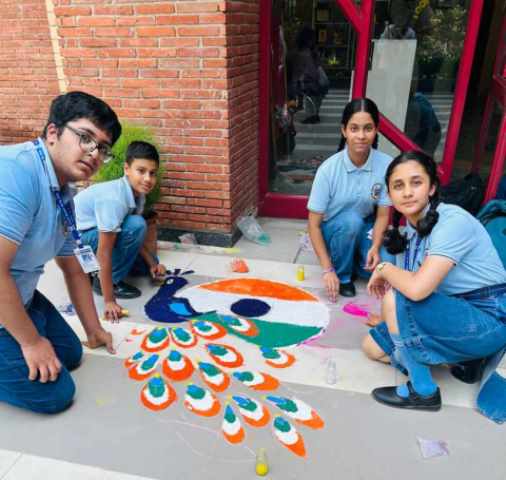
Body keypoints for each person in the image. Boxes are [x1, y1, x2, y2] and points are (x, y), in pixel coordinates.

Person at [0, 91, 120, 414]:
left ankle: (24, 321)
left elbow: (73, 268)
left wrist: (94, 330)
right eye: (85, 138)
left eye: (103, 148)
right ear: (53, 133)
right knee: (56, 394)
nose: (94, 153)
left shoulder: (62, 188)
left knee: (70, 354)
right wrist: (30, 342)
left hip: (18, 291)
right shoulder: (17, 173)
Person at [362, 151, 506, 419]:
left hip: (490, 319)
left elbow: (416, 290)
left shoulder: (452, 221)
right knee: (372, 347)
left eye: (416, 183)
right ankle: (462, 360)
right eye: (398, 186)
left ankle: (424, 391)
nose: (406, 192)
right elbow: (409, 295)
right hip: (456, 313)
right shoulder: (411, 233)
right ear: (390, 195)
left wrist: (384, 268)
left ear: (432, 187)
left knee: (396, 298)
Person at [307, 98, 393, 300]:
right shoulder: (328, 170)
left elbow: (382, 215)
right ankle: (344, 275)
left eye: (368, 128)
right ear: (344, 131)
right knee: (350, 221)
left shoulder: (386, 165)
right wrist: (328, 270)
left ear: (376, 130)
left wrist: (375, 246)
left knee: (386, 267)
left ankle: (355, 258)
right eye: (354, 129)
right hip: (335, 230)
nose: (361, 136)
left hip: (366, 227)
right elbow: (313, 226)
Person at [75, 141, 167, 321]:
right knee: (137, 224)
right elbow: (104, 251)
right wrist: (109, 301)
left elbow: (130, 234)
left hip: (91, 234)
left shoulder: (136, 193)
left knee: (143, 265)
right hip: (74, 244)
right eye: (141, 171)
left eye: (152, 173)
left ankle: (105, 273)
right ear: (126, 169)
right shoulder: (115, 199)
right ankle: (103, 284)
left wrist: (152, 264)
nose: (148, 179)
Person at [287, 26, 325, 124]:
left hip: (304, 80)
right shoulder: (310, 51)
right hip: (310, 80)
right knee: (314, 92)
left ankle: (311, 115)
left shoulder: (299, 51)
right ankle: (314, 114)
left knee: (310, 91)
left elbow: (293, 66)